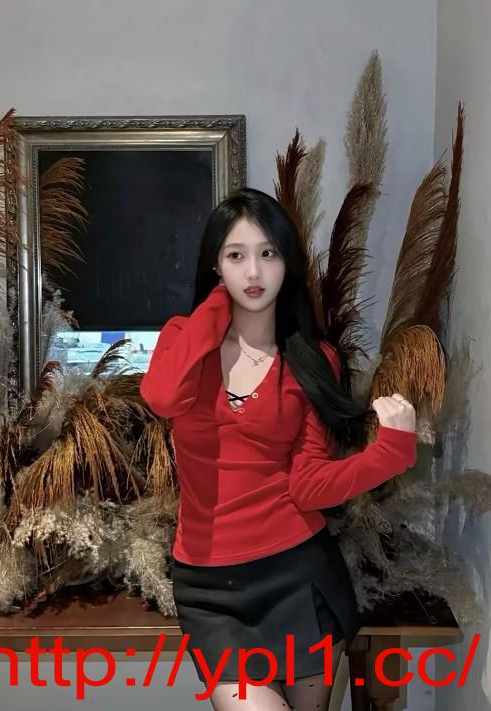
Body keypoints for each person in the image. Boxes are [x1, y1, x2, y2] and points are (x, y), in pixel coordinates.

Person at [139, 187, 417, 710]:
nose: (253, 272)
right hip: (210, 590)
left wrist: (390, 455)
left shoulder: (313, 359)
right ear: (215, 264)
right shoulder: (184, 339)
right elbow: (161, 396)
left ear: (287, 262)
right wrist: (217, 307)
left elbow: (309, 486)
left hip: (297, 575)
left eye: (268, 253)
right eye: (235, 255)